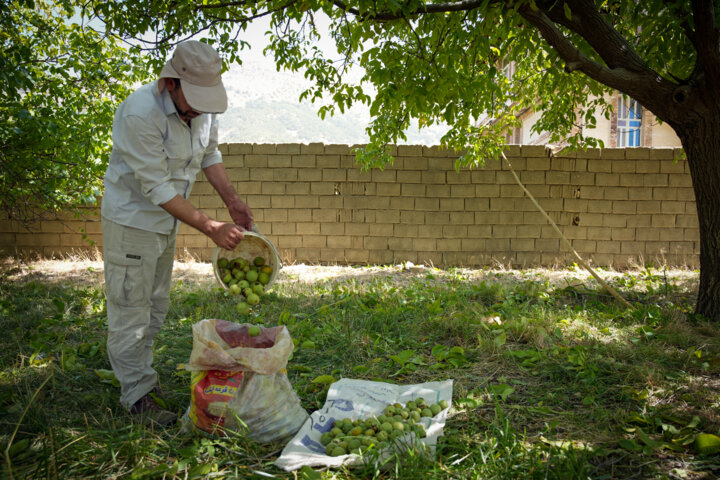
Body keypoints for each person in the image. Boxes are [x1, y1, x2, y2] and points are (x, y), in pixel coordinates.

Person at [101, 41, 253, 425]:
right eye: (195, 98)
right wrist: (210, 226)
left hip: (166, 223)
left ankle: (141, 378)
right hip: (133, 221)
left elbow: (209, 154)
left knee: (155, 304)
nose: (202, 108)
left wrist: (232, 201)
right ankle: (136, 397)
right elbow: (157, 188)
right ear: (171, 82)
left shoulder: (201, 110)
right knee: (131, 307)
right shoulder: (139, 114)